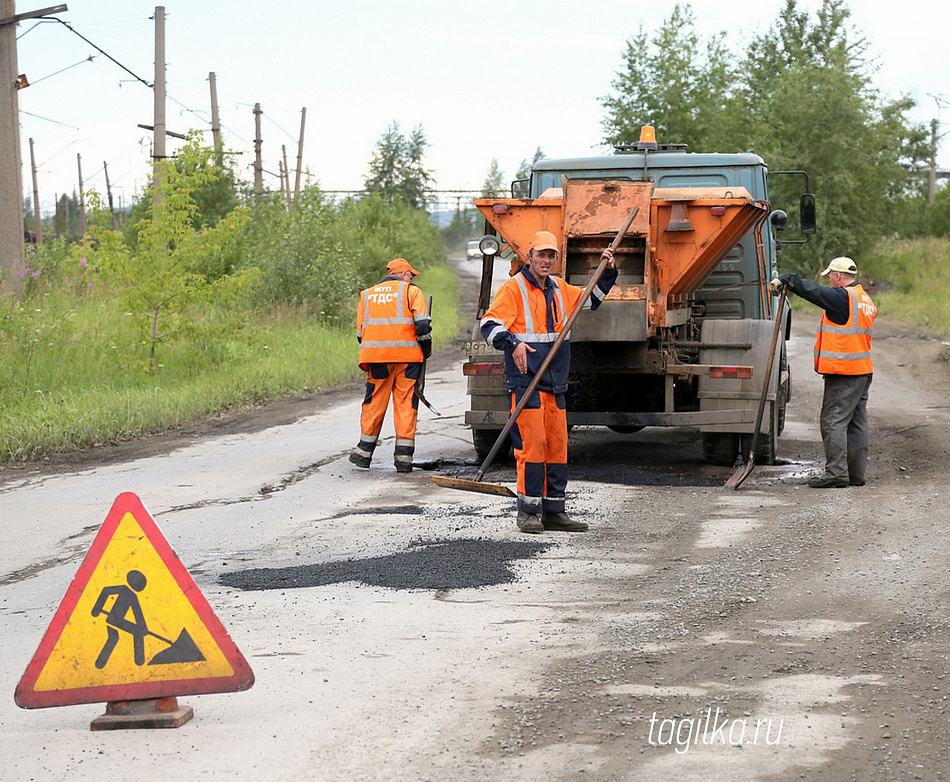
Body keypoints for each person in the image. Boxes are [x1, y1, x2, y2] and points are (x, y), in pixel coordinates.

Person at [480, 230, 618, 533]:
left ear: (556, 259)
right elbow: (488, 324)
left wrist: (608, 271)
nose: (545, 260)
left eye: (550, 255)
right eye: (540, 254)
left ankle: (555, 511)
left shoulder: (560, 288)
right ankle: (528, 512)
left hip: (555, 383)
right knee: (533, 447)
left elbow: (591, 300)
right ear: (529, 257)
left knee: (557, 446)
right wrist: (512, 343)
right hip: (526, 381)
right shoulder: (514, 289)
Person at [770, 256, 878, 488]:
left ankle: (836, 474)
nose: (829, 279)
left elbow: (816, 292)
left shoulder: (843, 298)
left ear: (839, 276)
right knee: (857, 424)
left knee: (833, 421)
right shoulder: (864, 298)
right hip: (862, 370)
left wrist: (789, 279)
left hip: (844, 371)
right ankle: (855, 474)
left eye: (830, 275)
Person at [350, 258, 431, 473]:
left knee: (374, 402)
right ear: (403, 274)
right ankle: (403, 458)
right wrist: (426, 348)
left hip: (377, 359)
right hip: (407, 359)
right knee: (406, 404)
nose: (411, 279)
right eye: (410, 275)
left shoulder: (366, 295)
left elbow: (360, 334)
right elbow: (422, 325)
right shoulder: (411, 292)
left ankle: (364, 452)